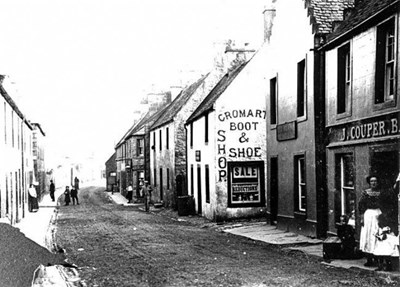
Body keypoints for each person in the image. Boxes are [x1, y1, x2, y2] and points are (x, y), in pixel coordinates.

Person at [358, 175, 382, 266]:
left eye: (375, 181)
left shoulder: (380, 192)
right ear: (369, 183)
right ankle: (369, 259)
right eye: (372, 181)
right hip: (368, 215)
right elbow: (361, 205)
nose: (373, 183)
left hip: (378, 214)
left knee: (376, 233)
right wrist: (361, 217)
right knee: (368, 234)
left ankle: (377, 258)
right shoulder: (365, 193)